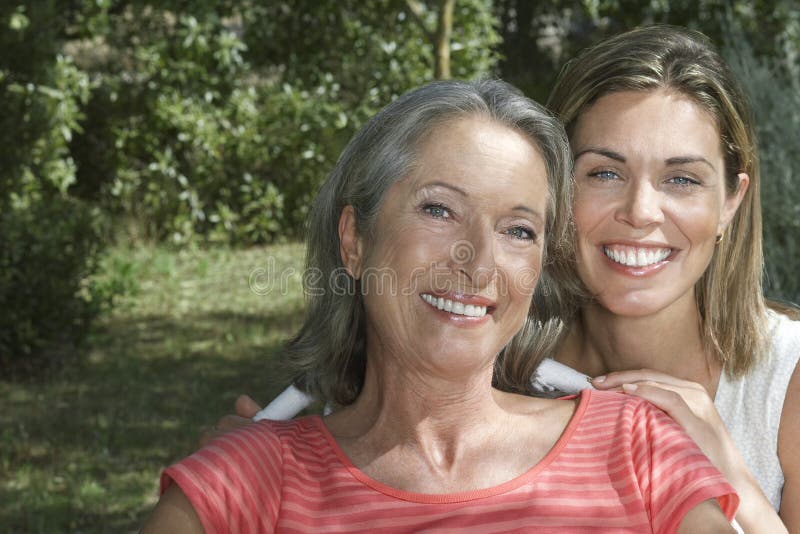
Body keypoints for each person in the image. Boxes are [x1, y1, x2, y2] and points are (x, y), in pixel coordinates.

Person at [236, 26, 799, 532]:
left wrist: (732, 477)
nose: (641, 211)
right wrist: (248, 485)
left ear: (731, 202)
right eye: (604, 172)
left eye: (681, 179)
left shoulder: (786, 382)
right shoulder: (474, 348)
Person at [143, 79, 738, 532]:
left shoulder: (638, 448)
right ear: (355, 240)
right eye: (438, 209)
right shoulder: (249, 482)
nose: (478, 262)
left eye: (519, 230)